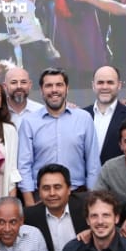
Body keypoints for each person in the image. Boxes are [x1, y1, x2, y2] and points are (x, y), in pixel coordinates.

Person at [17, 68, 100, 206]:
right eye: (48, 85)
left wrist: (91, 200)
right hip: (41, 197)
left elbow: (93, 164)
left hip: (78, 195)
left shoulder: (84, 118)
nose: (54, 90)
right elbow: (24, 166)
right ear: (42, 90)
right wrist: (30, 204)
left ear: (67, 88)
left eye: (59, 85)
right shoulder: (29, 122)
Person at [23, 164, 88, 251]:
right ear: (39, 191)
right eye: (46, 188)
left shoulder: (87, 205)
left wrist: (93, 231)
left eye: (57, 187)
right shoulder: (29, 217)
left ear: (69, 189)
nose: (52, 193)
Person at [85, 65, 126, 165]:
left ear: (119, 85)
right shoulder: (82, 116)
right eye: (100, 82)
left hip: (119, 180)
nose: (105, 87)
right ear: (93, 85)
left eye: (110, 82)